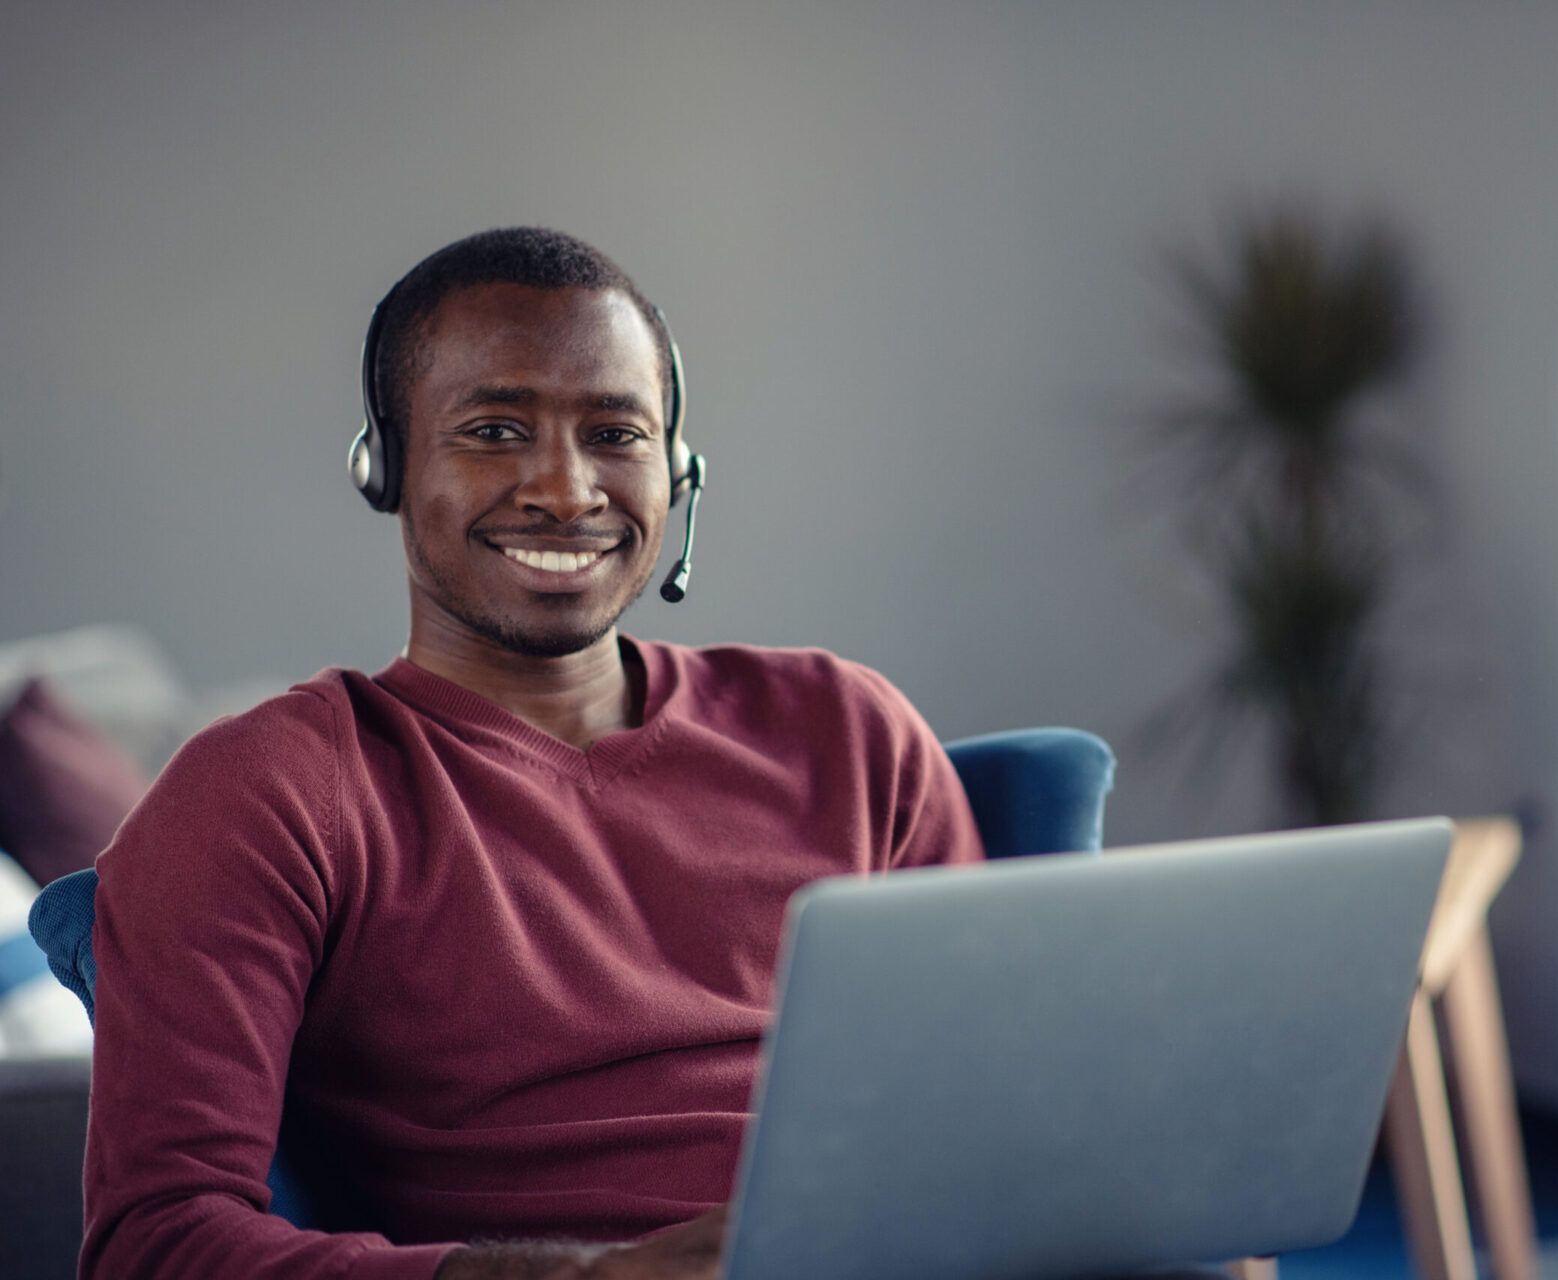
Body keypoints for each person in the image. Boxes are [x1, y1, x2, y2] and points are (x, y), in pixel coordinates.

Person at [83, 227, 988, 1279]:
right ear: (386, 465)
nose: (565, 489)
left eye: (615, 432)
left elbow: (1008, 1105)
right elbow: (156, 1241)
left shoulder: (848, 728)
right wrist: (582, 1277)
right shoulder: (272, 789)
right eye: (497, 428)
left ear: (679, 468)